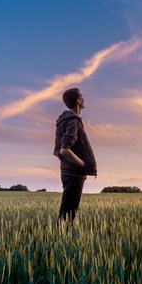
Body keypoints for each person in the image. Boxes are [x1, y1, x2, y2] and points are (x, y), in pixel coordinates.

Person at [54, 88, 97, 222]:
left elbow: (57, 150)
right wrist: (82, 164)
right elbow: (64, 150)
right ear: (78, 100)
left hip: (67, 170)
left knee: (66, 210)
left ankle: (58, 237)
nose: (84, 99)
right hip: (74, 172)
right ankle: (62, 239)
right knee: (69, 212)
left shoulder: (63, 121)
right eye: (82, 97)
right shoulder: (73, 121)